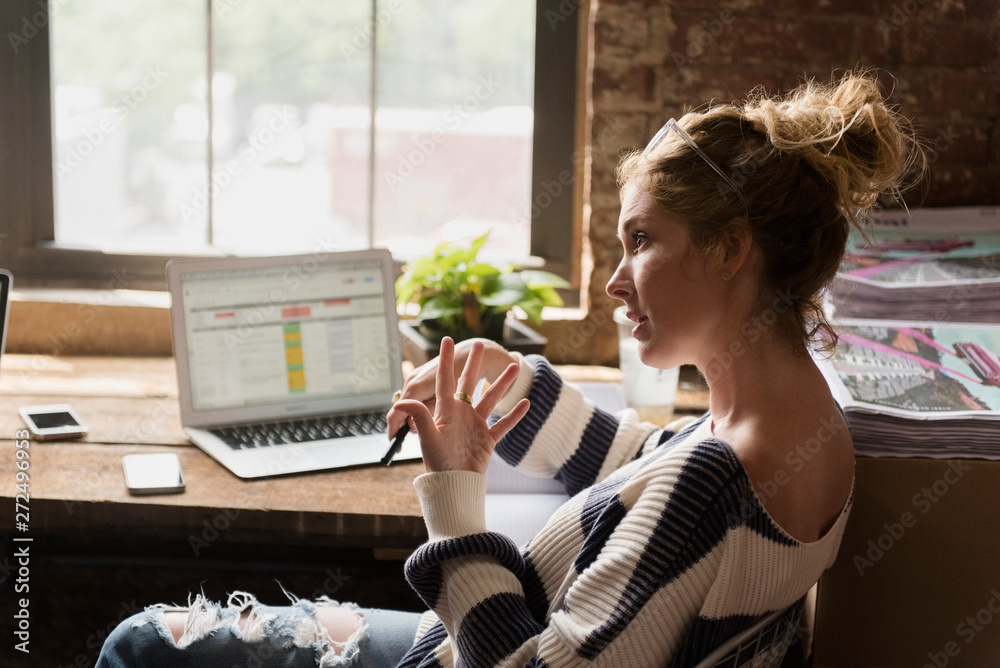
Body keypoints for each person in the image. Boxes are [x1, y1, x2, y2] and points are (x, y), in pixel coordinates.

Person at [97, 70, 923, 667]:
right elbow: (651, 481)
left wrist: (455, 494)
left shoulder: (718, 477)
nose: (613, 279)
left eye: (642, 241)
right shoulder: (805, 423)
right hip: (475, 635)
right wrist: (519, 389)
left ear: (732, 248)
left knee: (140, 643)